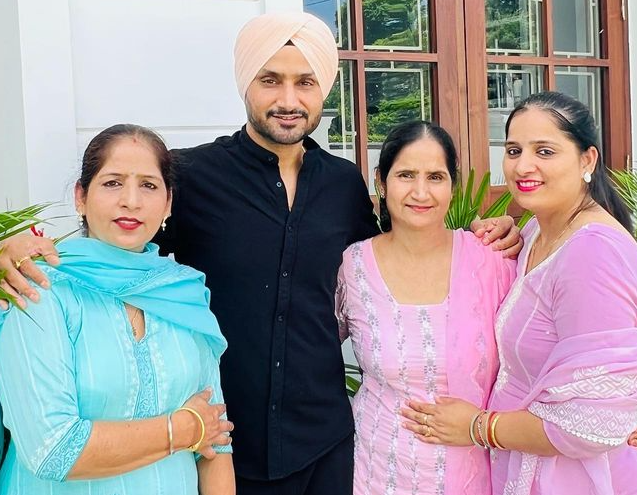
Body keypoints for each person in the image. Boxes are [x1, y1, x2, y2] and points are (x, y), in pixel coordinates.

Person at [0, 12, 521, 494]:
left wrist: (488, 233)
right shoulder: (192, 177)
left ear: (324, 91)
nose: (288, 99)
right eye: (270, 80)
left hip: (325, 445)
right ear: (245, 83)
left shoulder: (342, 185)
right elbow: (115, 243)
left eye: (305, 82)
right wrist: (19, 247)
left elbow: (399, 250)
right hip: (221, 440)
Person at [405, 92, 637, 495]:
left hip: (579, 478)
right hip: (528, 469)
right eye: (514, 149)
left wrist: (478, 426)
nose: (523, 166)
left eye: (544, 151)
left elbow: (589, 422)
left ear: (587, 160)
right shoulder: (537, 229)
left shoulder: (592, 252)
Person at [0, 125, 234, 494]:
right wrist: (185, 429)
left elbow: (217, 441)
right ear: (81, 197)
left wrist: (203, 429)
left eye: (149, 185)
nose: (131, 201)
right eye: (112, 183)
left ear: (168, 203)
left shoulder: (183, 291)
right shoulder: (39, 287)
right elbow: (52, 450)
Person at [336, 120, 516, 495]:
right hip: (375, 472)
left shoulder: (492, 260)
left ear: (453, 184)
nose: (421, 192)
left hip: (476, 471)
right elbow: (308, 351)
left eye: (435, 177)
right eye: (406, 175)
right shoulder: (352, 267)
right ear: (380, 182)